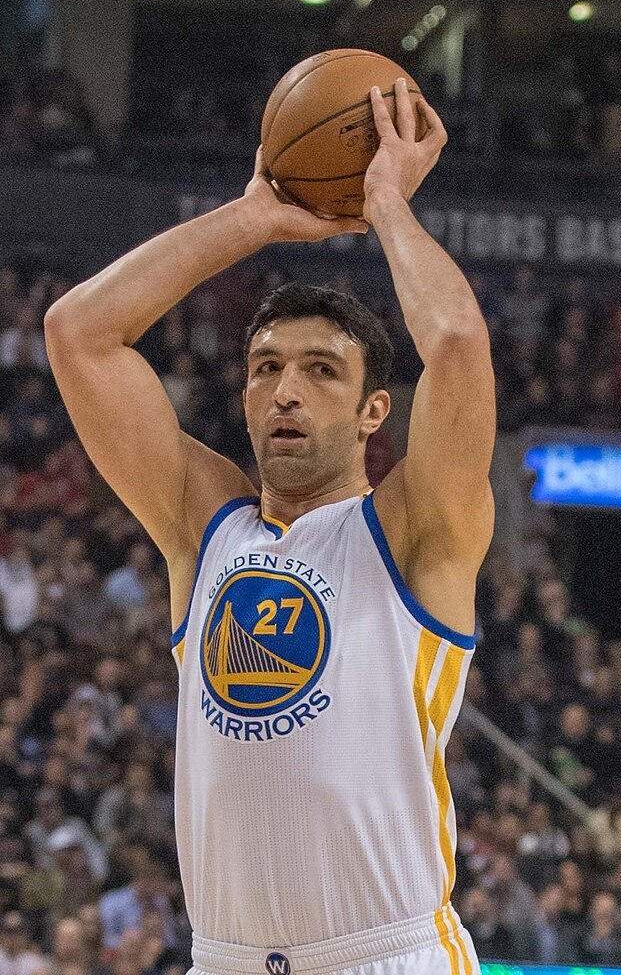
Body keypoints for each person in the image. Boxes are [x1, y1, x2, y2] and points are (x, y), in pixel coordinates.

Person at [44, 80, 493, 975]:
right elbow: (79, 333)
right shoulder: (202, 526)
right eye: (266, 367)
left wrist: (386, 204)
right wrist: (255, 217)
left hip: (388, 954)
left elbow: (455, 346)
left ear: (374, 412)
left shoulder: (411, 529)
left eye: (321, 370)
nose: (285, 389)